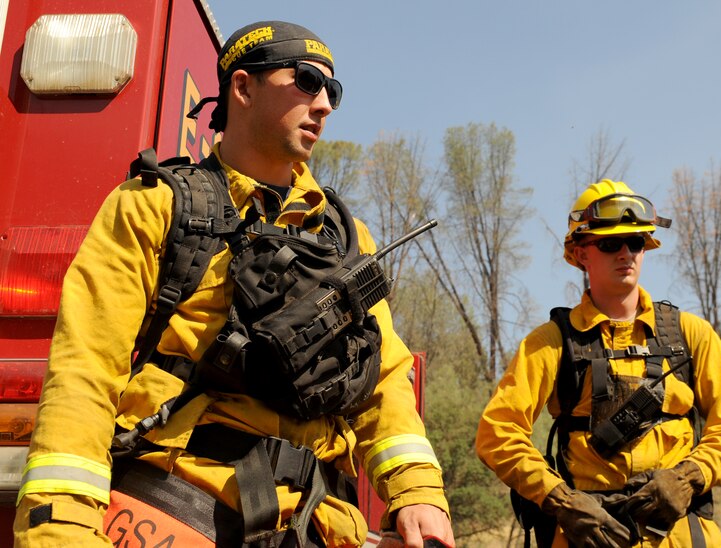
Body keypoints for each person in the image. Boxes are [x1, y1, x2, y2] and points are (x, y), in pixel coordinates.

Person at [14, 21, 454, 548]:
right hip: (177, 509)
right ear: (242, 87)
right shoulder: (155, 205)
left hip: (319, 524)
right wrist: (60, 526)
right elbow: (86, 366)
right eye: (309, 82)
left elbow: (383, 377)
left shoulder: (346, 237)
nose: (325, 106)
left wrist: (418, 490)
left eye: (333, 92)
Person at [476, 179, 721, 547]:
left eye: (636, 242)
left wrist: (690, 476)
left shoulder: (690, 335)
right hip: (592, 537)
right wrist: (560, 499)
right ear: (581, 254)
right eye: (610, 244)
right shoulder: (551, 342)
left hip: (683, 537)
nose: (626, 253)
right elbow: (497, 433)